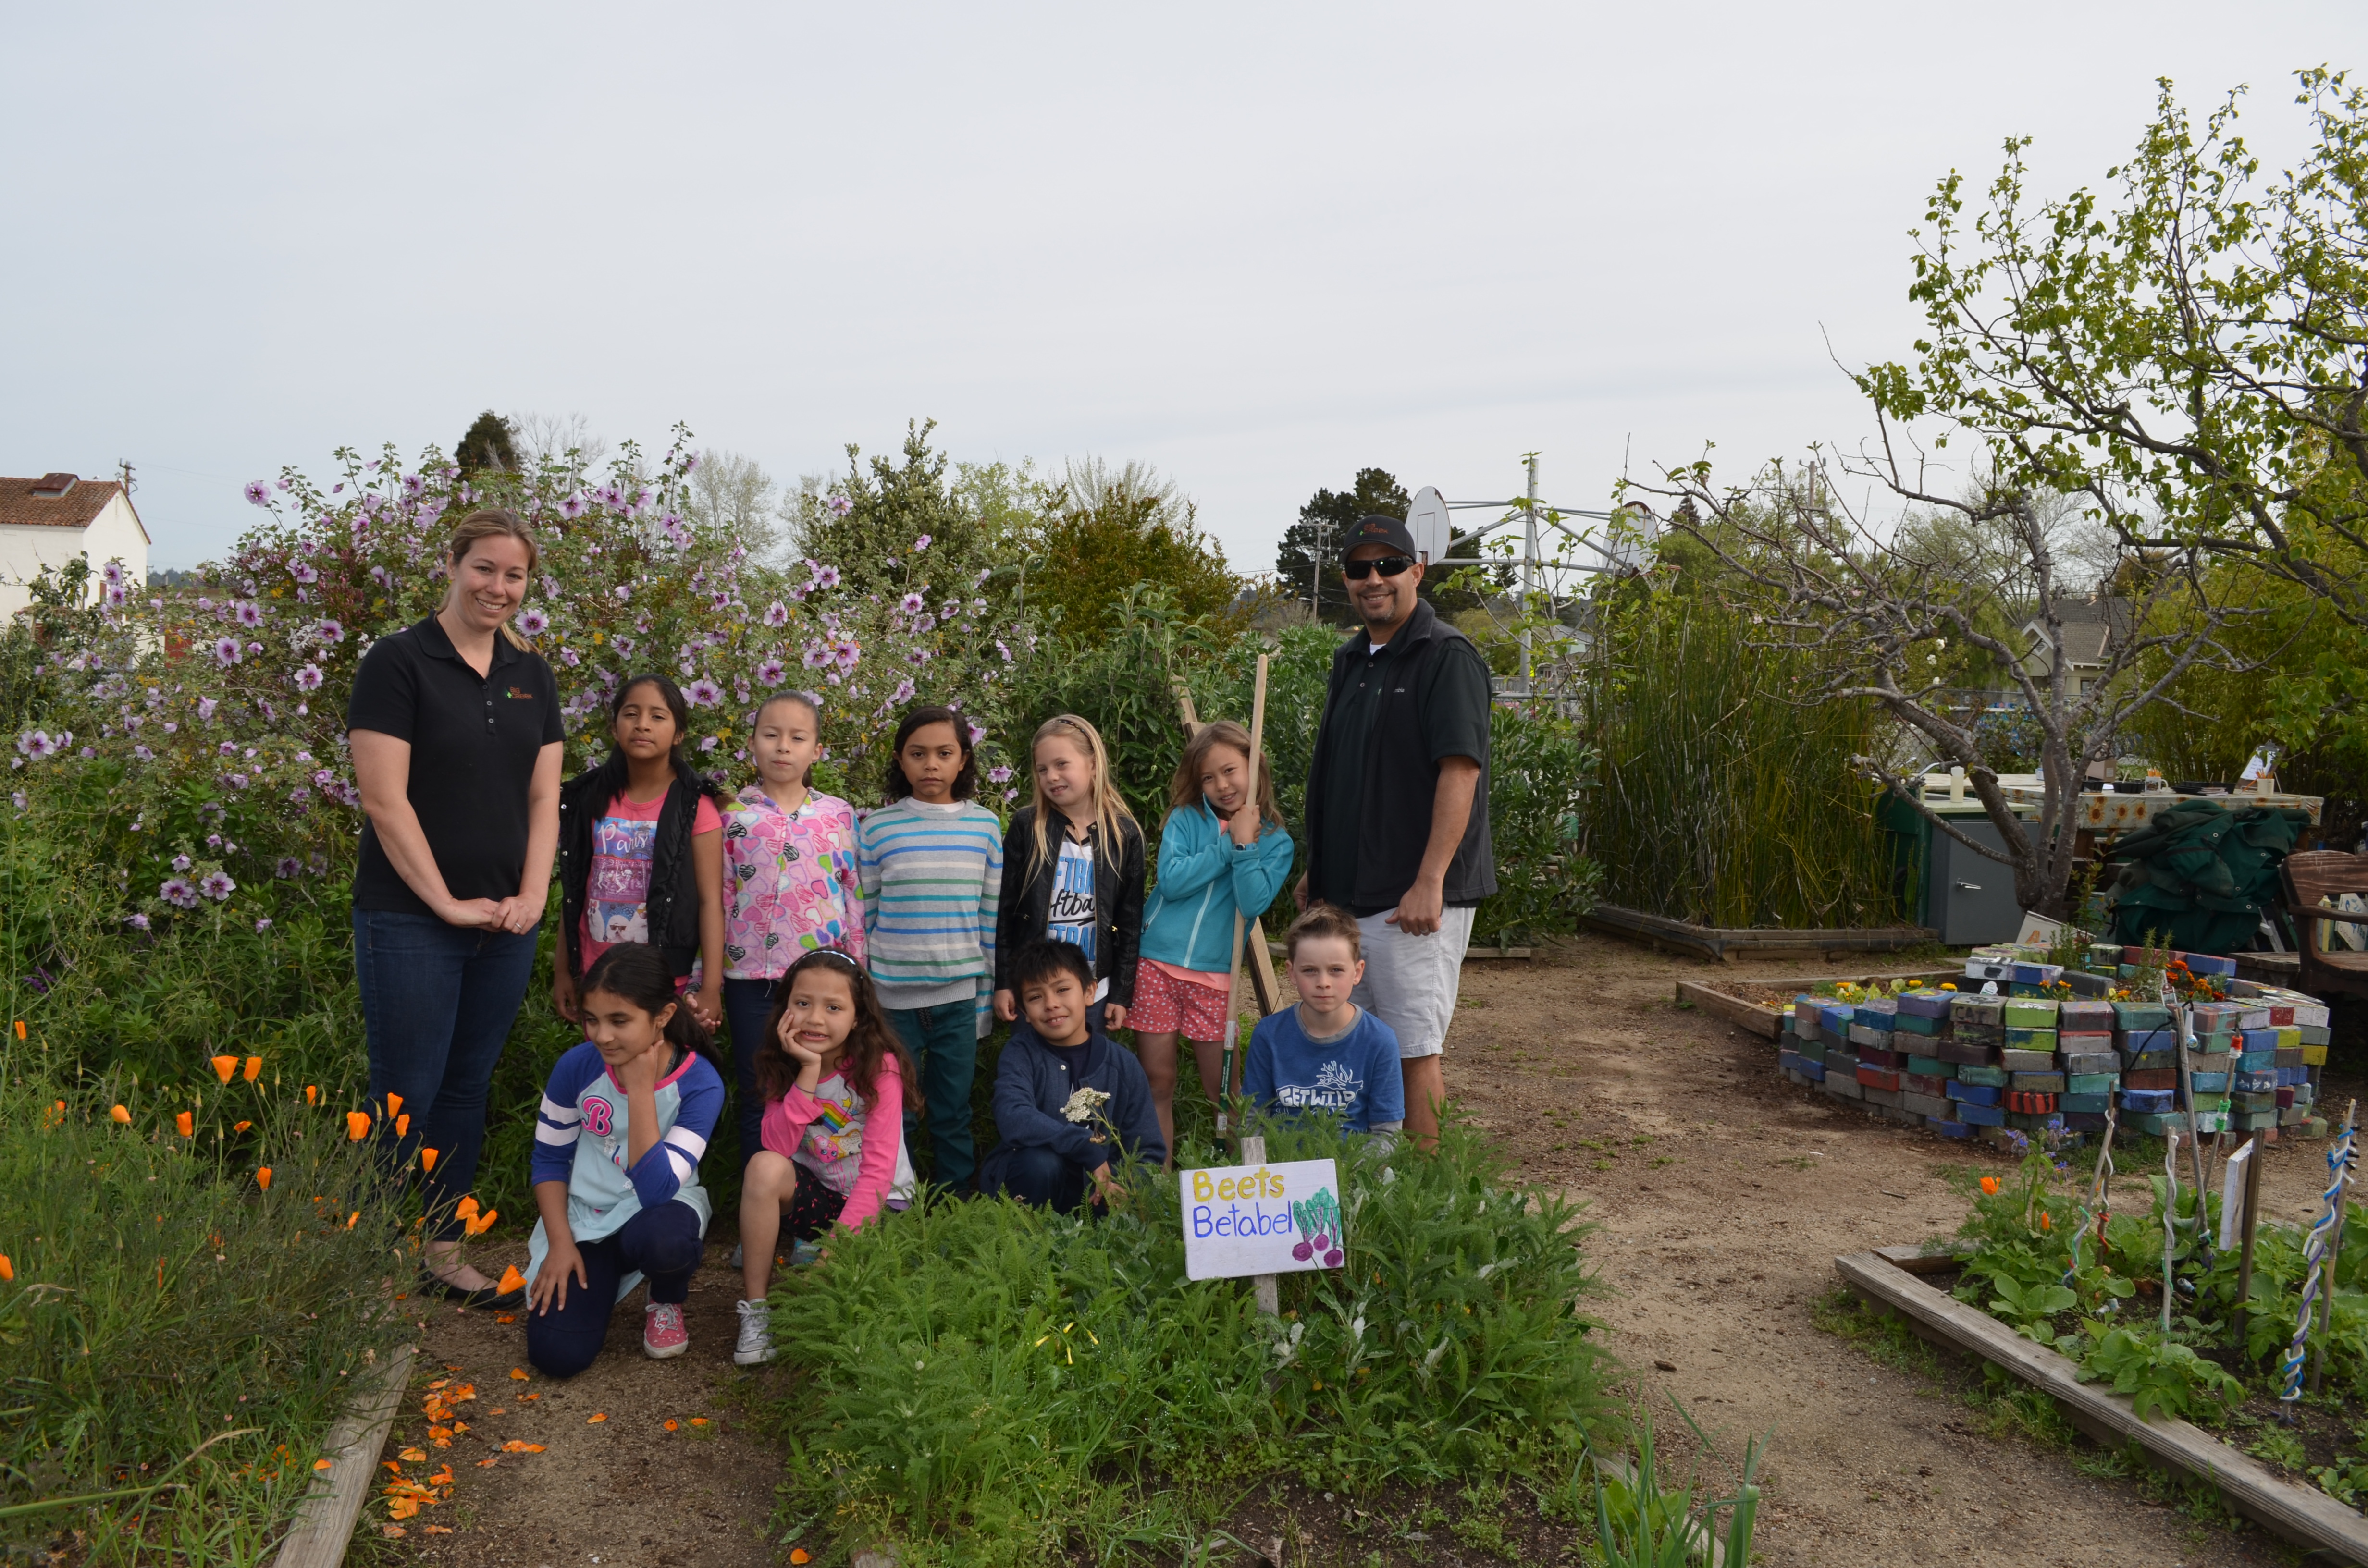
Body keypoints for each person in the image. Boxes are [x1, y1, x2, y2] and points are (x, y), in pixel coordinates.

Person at [348, 507, 562, 1308]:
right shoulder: (398, 662)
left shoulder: (531, 674)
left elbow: (545, 796)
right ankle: (366, 1258)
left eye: (513, 575)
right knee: (406, 1087)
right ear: (453, 564)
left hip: (504, 922)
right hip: (410, 919)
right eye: (484, 568)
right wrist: (442, 899)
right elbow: (384, 797)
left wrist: (533, 895)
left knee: (466, 1086)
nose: (497, 587)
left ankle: (440, 1249)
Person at [1298, 513, 1496, 1150]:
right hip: (1352, 893)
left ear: (1417, 570)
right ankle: (1374, 1187)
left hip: (1413, 901)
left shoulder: (1446, 657)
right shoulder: (1352, 659)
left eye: (1388, 565)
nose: (1374, 578)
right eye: (1360, 568)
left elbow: (1460, 773)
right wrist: (1318, 867)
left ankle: (1427, 1200)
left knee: (1413, 1049)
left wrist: (1430, 880)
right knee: (1364, 1045)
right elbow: (1342, 773)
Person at [524, 943, 725, 1377]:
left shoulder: (701, 1083)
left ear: (664, 1017)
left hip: (660, 1213)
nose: (602, 1036)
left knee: (667, 1244)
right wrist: (561, 1245)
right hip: (587, 1220)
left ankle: (665, 1296)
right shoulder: (576, 1068)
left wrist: (639, 1090)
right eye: (592, 1020)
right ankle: (602, 1280)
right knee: (557, 1356)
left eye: (620, 1021)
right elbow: (549, 1160)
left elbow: (656, 1192)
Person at [733, 948, 917, 1365]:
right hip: (822, 1200)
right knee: (762, 1167)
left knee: (864, 1307)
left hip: (884, 1205)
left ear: (858, 1017)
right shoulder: (783, 1065)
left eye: (833, 1007)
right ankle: (757, 1313)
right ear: (785, 1012)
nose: (815, 1019)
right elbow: (777, 1148)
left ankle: (822, 1258)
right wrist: (809, 1073)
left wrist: (836, 1250)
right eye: (802, 1004)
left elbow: (877, 1173)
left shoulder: (880, 1069)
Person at [1133, 717, 1295, 1158]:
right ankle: (1156, 1180)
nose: (1222, 785)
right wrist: (1226, 846)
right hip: (1157, 965)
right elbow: (1172, 881)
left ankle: (1247, 1178)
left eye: (1230, 771)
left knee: (1224, 1090)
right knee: (1158, 1081)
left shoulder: (1277, 843)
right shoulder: (1185, 820)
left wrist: (1246, 847)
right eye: (1208, 777)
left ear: (1254, 767)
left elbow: (1252, 903)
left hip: (1214, 977)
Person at [858, 704, 1002, 1195]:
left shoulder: (984, 827)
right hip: (891, 1002)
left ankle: (955, 1206)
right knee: (894, 1111)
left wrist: (983, 1003)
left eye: (944, 753)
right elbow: (865, 915)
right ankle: (894, 1201)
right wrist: (866, 998)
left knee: (951, 1109)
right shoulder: (876, 828)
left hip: (958, 1001)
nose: (931, 765)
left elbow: (988, 921)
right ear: (900, 760)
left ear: (963, 760)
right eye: (917, 754)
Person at [720, 692, 864, 1170]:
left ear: (816, 750)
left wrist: (859, 977)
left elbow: (853, 897)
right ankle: (758, 1217)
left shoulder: (838, 815)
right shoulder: (731, 816)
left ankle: (814, 1214)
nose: (783, 746)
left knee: (822, 1091)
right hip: (750, 983)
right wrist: (706, 980)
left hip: (822, 987)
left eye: (797, 737)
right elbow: (719, 897)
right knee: (758, 1091)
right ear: (751, 744)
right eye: (771, 734)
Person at [554, 675, 728, 1031]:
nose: (643, 725)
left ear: (679, 733)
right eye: (631, 714)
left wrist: (711, 987)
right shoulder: (589, 798)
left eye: (658, 716)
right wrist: (563, 970)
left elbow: (711, 901)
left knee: (658, 1068)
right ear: (615, 727)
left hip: (662, 976)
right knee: (607, 1067)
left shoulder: (695, 807)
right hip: (597, 971)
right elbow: (575, 891)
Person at [977, 940, 1165, 1212]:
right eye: (1035, 997)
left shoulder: (1123, 1064)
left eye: (1063, 990)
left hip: (1101, 1190)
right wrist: (1086, 1149)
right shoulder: (1020, 1053)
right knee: (1041, 1164)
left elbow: (1149, 1151)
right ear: (1025, 1013)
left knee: (1119, 1191)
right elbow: (1013, 1115)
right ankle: (1025, 1243)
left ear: (1090, 992)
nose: (1052, 1004)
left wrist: (1125, 1184)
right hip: (1034, 1180)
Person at [993, 714, 1144, 1032]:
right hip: (1034, 988)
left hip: (1092, 990)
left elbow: (1130, 923)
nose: (1052, 776)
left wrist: (1121, 993)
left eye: (1062, 764)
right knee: (1034, 1071)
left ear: (1092, 764)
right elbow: (1004, 912)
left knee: (1087, 1077)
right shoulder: (1027, 827)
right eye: (1043, 769)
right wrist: (1004, 981)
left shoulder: (1124, 834)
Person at [1245, 903, 1405, 1144]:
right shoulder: (1268, 1035)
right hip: (1283, 1171)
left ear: (1357, 972)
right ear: (1291, 972)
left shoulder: (1380, 1040)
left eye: (1336, 970)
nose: (1323, 982)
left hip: (1351, 1171)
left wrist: (1349, 1173)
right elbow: (1253, 1120)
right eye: (1310, 970)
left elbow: (1387, 1133)